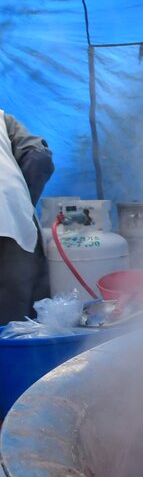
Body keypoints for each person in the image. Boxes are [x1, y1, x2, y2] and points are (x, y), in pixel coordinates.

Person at [0, 111, 53, 324]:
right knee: (16, 316)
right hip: (9, 215)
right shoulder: (2, 118)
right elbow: (39, 157)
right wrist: (22, 202)